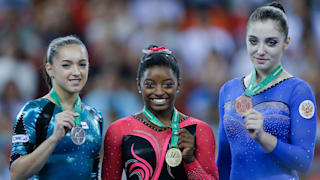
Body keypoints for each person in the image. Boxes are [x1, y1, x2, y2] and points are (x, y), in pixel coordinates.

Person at [217, 2, 317, 180]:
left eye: (270, 42)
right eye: (253, 41)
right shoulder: (228, 90)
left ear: (286, 42)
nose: (260, 50)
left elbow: (304, 161)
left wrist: (263, 137)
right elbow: (224, 161)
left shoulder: (298, 90)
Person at [102, 45, 219, 179]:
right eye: (150, 85)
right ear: (139, 85)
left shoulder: (199, 130)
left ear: (178, 85)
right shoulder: (119, 130)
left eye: (167, 84)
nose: (159, 92)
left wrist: (190, 160)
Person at [10, 35, 103, 180]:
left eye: (82, 64)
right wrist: (54, 139)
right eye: (66, 65)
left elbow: (93, 174)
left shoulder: (94, 116)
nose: (76, 72)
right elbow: (16, 173)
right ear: (50, 69)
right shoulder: (32, 112)